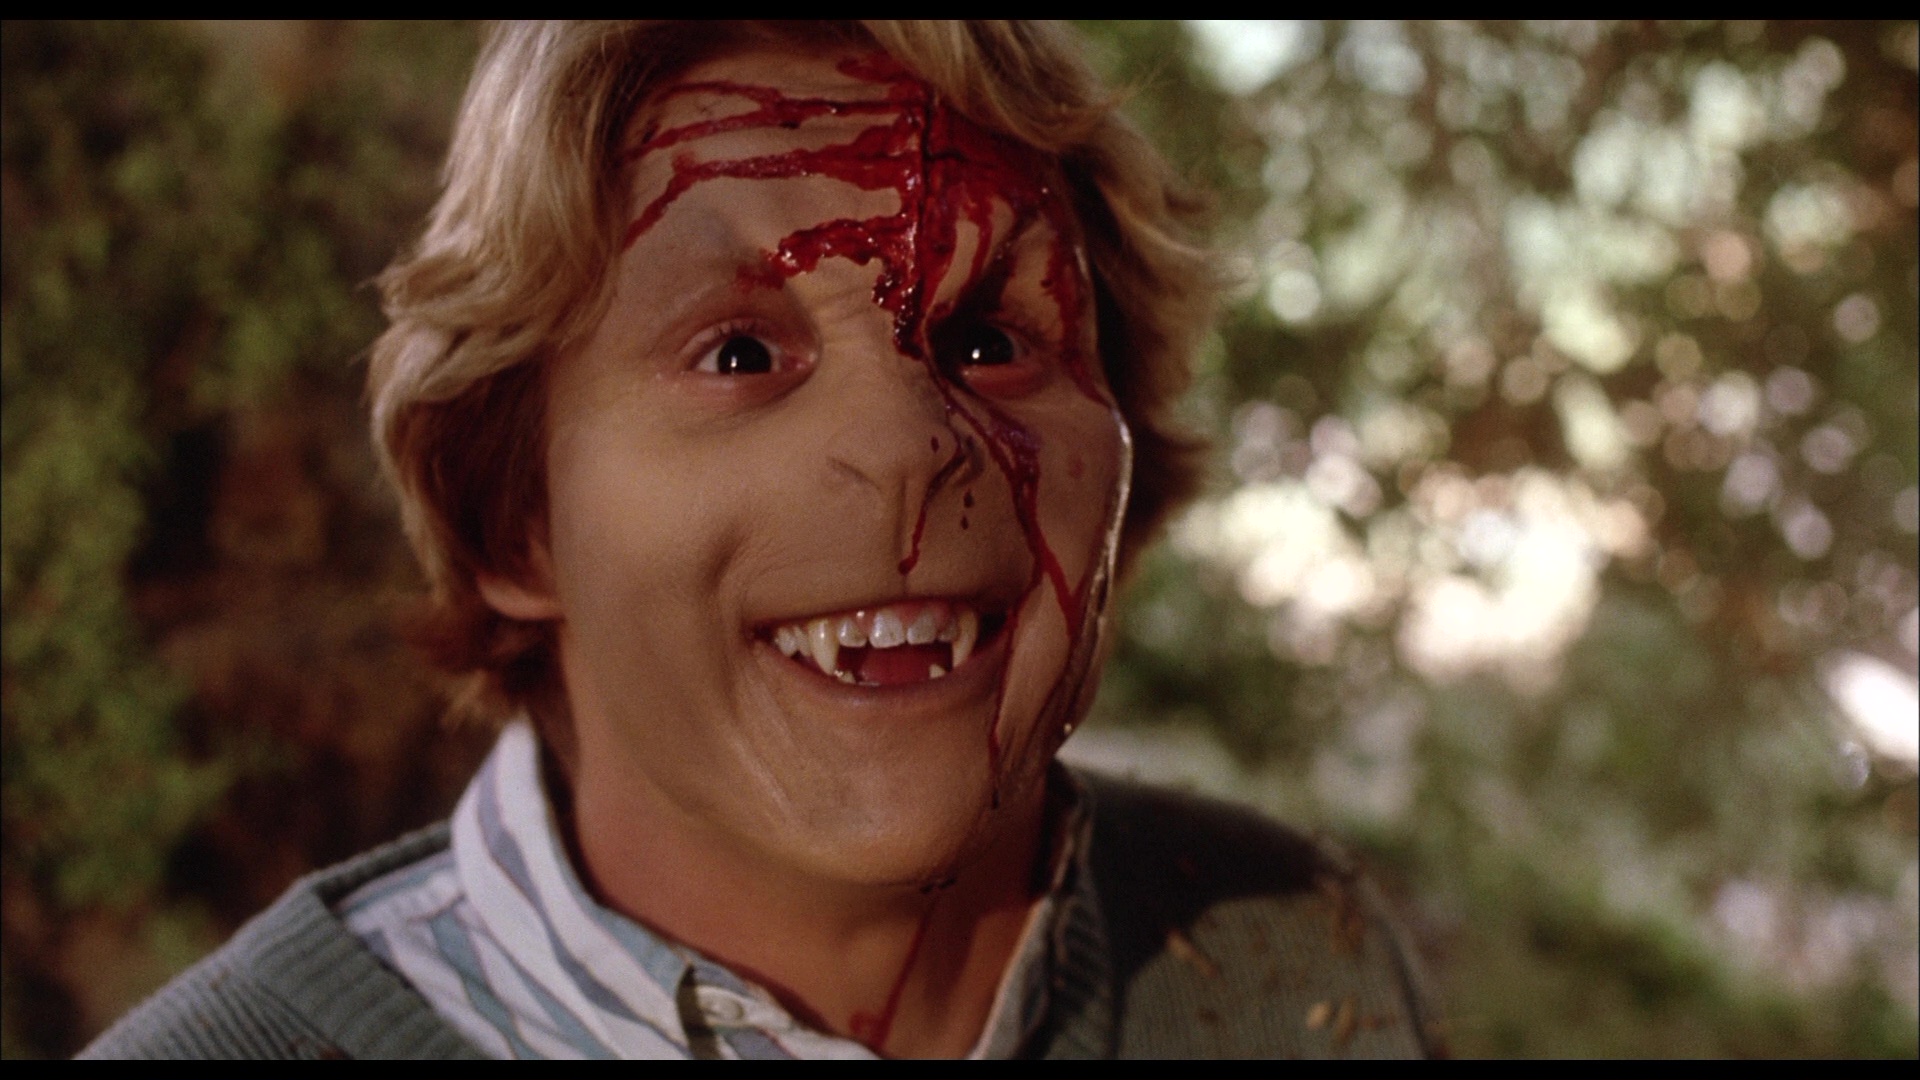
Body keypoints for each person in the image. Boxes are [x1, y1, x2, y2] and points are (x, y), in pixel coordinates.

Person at [83, 21, 1438, 1059]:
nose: (907, 447)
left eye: (988, 338)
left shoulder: (1294, 962)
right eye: (736, 353)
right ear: (516, 519)